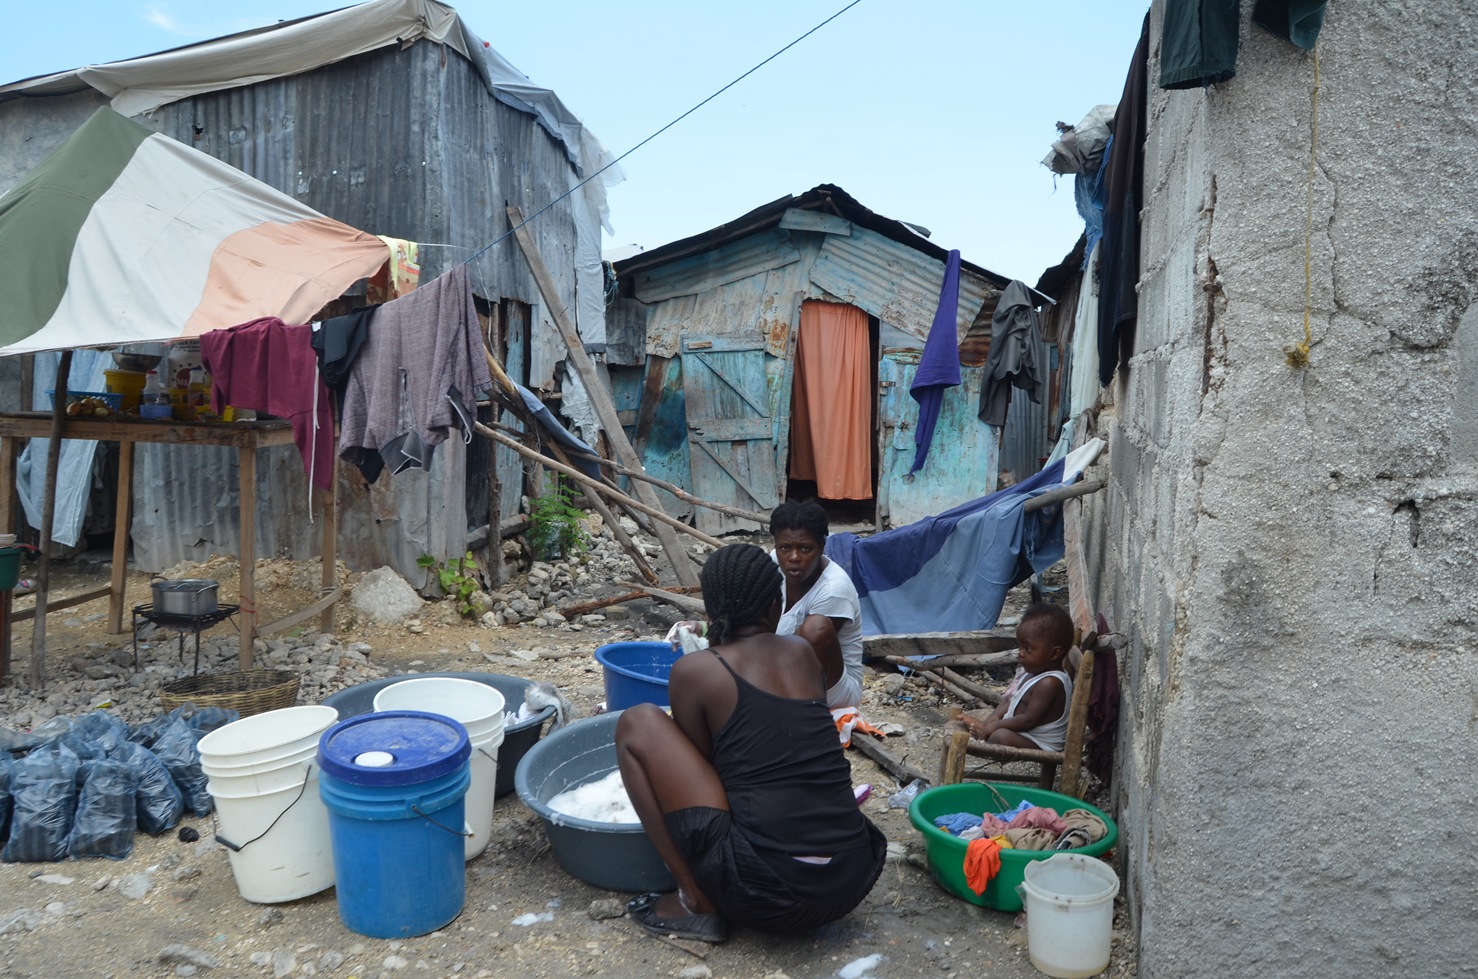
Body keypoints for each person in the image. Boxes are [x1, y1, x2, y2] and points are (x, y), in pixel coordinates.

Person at [615, 543, 887, 943]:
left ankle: (694, 900)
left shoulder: (696, 671)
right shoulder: (801, 652)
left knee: (636, 723)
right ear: (774, 608)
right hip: (851, 877)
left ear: (710, 612)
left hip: (769, 895)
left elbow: (705, 773)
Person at [769, 500, 863, 708]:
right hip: (780, 669)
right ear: (776, 545)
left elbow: (800, 656)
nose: (794, 558)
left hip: (834, 688)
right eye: (785, 548)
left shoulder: (833, 590)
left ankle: (797, 713)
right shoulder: (773, 562)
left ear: (821, 546)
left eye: (805, 548)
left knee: (815, 628)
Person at [962, 602, 1075, 751]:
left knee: (1000, 736)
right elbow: (1010, 700)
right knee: (1002, 710)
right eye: (1020, 647)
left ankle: (986, 733)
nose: (1020, 653)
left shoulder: (1050, 683)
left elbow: (1029, 721)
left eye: (1027, 648)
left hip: (1040, 742)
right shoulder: (1034, 673)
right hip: (1024, 732)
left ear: (1054, 653)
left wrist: (995, 726)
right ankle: (984, 730)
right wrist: (991, 721)